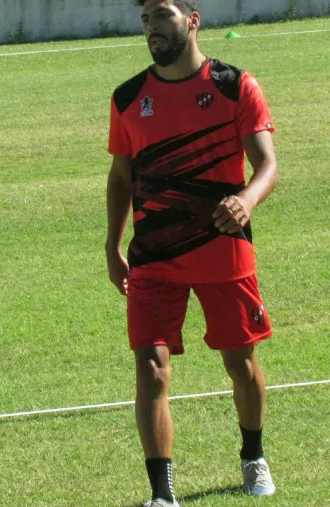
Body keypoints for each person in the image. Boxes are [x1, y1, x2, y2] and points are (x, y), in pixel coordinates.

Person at [105, 0, 279, 505]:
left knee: (240, 361)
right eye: (145, 19)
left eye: (162, 15)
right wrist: (113, 246)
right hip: (154, 256)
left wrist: (246, 199)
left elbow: (267, 164)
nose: (151, 28)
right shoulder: (128, 97)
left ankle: (253, 458)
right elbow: (120, 176)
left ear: (193, 20)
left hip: (222, 251)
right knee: (150, 366)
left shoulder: (234, 86)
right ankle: (162, 494)